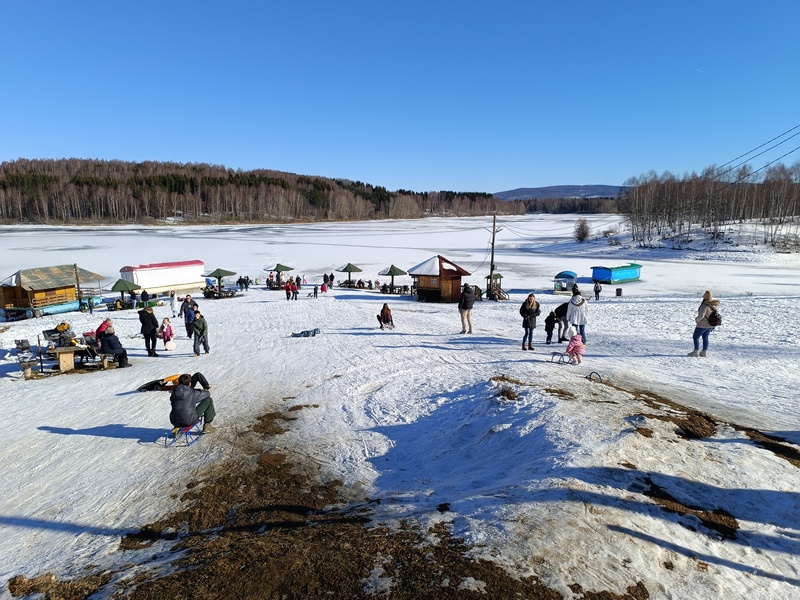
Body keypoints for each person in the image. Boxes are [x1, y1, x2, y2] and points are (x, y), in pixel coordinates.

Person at [688, 290, 720, 357]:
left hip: (702, 325)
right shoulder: (714, 305)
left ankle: (695, 351)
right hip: (710, 325)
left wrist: (696, 320)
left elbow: (701, 316)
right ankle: (704, 351)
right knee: (705, 337)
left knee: (695, 337)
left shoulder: (704, 306)